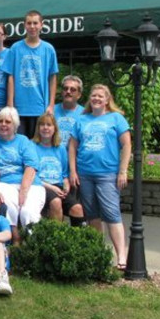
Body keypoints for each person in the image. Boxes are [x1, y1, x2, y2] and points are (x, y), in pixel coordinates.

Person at [69, 84, 131, 270]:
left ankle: (121, 256)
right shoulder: (81, 120)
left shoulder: (116, 118)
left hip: (108, 174)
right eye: (93, 95)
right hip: (85, 174)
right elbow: (72, 147)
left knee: (112, 214)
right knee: (92, 215)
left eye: (100, 96)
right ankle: (98, 252)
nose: (96, 98)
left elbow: (127, 145)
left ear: (107, 100)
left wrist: (123, 170)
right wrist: (73, 171)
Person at [0, 10, 59, 137]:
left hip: (40, 108)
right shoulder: (15, 48)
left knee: (38, 144)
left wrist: (51, 105)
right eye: (29, 23)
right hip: (18, 108)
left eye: (35, 23)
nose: (32, 26)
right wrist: (10, 105)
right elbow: (10, 77)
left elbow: (52, 78)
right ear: (24, 25)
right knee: (18, 142)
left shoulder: (48, 49)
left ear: (41, 25)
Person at [0, 106, 43, 245]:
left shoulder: (24, 141)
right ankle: (15, 239)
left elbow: (31, 167)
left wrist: (23, 191)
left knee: (28, 212)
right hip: (4, 183)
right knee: (7, 204)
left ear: (15, 125)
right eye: (0, 121)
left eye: (8, 122)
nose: (3, 124)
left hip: (30, 184)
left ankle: (34, 245)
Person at [32, 114, 85, 226]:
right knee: (56, 202)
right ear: (38, 128)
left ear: (54, 128)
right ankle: (57, 239)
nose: (45, 128)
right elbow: (31, 175)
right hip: (41, 186)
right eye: (42, 125)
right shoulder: (32, 146)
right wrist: (52, 188)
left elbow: (64, 174)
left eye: (49, 125)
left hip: (59, 186)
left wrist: (66, 184)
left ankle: (76, 240)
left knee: (77, 208)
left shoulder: (60, 148)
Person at [54, 74, 85, 146]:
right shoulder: (51, 110)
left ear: (79, 95)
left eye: (73, 89)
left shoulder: (85, 114)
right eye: (65, 88)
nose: (68, 91)